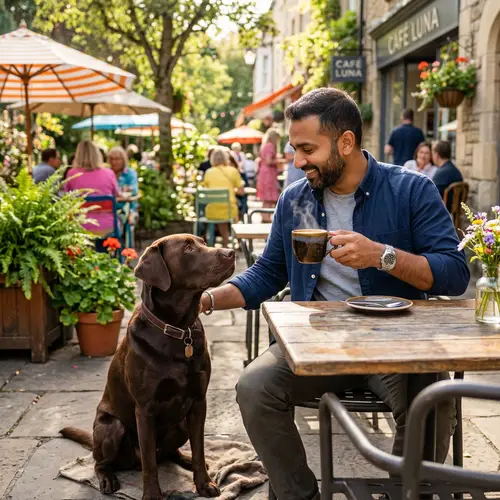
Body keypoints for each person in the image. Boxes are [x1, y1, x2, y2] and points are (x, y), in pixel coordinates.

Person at [199, 88, 469, 500]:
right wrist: (208, 299)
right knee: (254, 388)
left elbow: (454, 274)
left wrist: (383, 256)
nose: (298, 161)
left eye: (308, 149)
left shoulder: (411, 190)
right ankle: (298, 494)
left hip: (396, 345)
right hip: (315, 343)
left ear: (346, 142)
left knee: (434, 402)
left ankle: (404, 494)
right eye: (294, 149)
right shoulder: (294, 200)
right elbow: (268, 273)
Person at [64, 141, 119, 236]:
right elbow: (116, 195)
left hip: (80, 227)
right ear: (97, 154)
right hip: (108, 227)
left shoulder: (71, 174)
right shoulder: (109, 173)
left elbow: (67, 199)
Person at [203, 146, 244, 247]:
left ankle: (225, 244)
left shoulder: (208, 172)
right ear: (226, 158)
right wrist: (231, 190)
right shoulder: (233, 171)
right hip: (229, 209)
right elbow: (241, 191)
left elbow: (206, 190)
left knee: (222, 217)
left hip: (212, 210)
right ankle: (237, 243)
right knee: (235, 214)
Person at [108, 146, 139, 230]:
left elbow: (134, 190)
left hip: (128, 207)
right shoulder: (107, 173)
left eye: (117, 159)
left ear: (123, 160)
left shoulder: (130, 173)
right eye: (111, 159)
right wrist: (123, 189)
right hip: (109, 208)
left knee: (122, 220)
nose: (114, 162)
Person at [256, 128, 280, 222]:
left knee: (266, 198)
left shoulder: (264, 145)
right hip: (268, 174)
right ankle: (267, 219)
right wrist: (279, 161)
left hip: (263, 173)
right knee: (268, 198)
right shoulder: (270, 146)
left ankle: (264, 217)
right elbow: (269, 161)